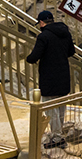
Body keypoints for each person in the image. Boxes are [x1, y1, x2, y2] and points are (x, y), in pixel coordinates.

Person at [26, 10, 75, 148]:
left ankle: (57, 137)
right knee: (60, 107)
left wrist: (29, 59)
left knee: (50, 107)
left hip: (49, 77)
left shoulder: (44, 36)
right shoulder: (65, 33)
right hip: (63, 75)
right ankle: (58, 133)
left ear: (42, 23)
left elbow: (34, 56)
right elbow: (71, 51)